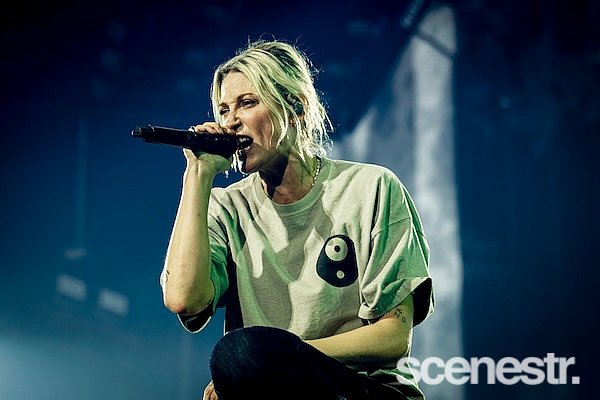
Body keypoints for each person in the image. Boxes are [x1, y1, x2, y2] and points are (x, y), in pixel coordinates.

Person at [159, 37, 434, 400]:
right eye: (224, 110)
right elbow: (184, 300)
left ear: (296, 109)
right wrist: (198, 174)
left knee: (240, 354)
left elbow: (393, 337)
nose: (230, 122)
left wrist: (278, 359)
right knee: (236, 358)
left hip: (363, 389)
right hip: (273, 391)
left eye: (247, 103)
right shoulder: (226, 207)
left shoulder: (371, 188)